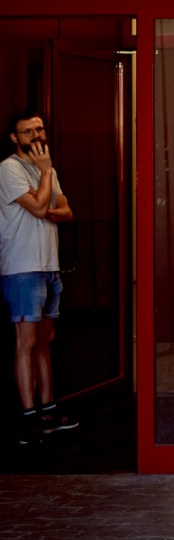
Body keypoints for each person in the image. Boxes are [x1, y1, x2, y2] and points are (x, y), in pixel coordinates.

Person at [3, 111, 76, 444]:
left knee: (45, 340)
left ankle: (48, 409)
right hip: (22, 266)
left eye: (39, 129)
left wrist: (44, 189)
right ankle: (28, 417)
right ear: (14, 138)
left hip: (49, 265)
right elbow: (38, 209)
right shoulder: (10, 168)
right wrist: (45, 178)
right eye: (28, 131)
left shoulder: (49, 170)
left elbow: (65, 211)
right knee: (26, 342)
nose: (36, 135)